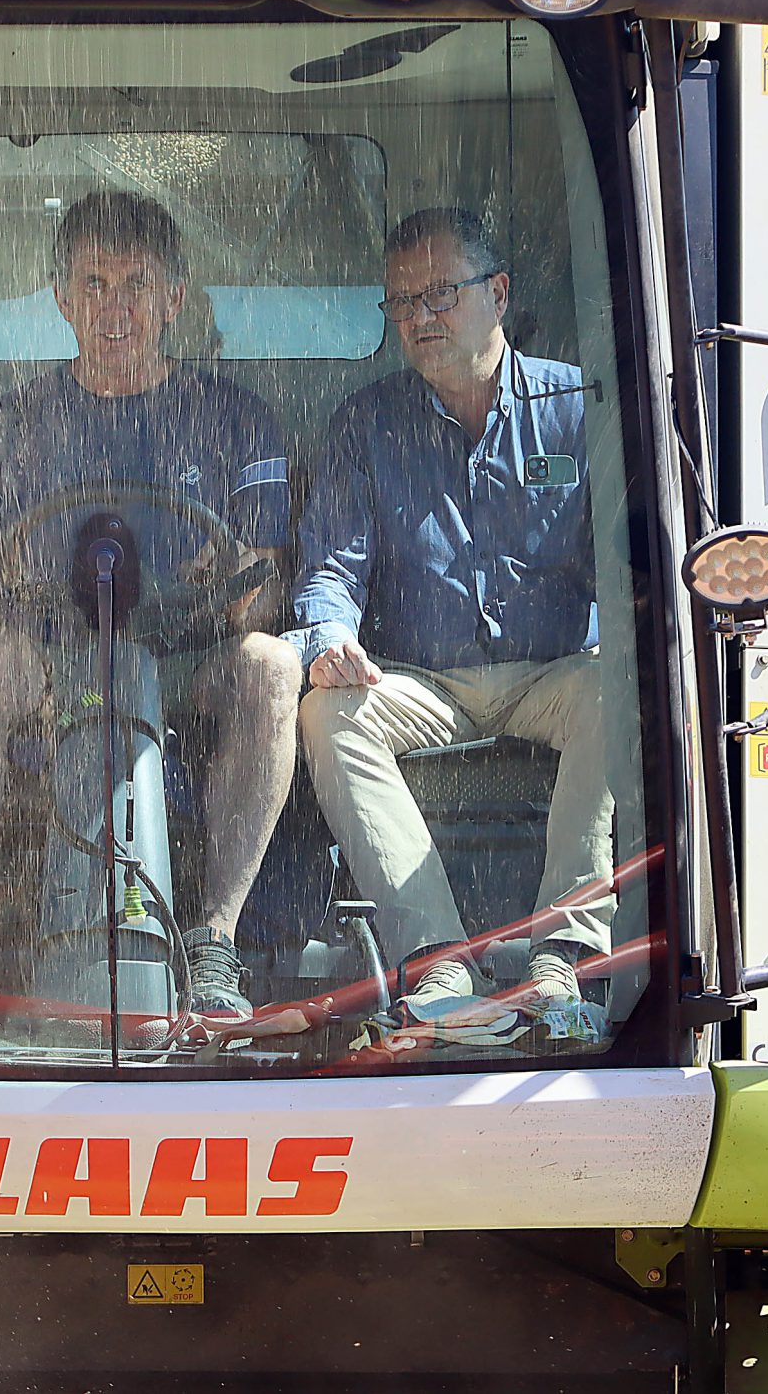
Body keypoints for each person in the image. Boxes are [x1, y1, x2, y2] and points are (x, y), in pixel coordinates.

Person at [0, 192, 300, 1021]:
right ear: (61, 301)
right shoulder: (8, 426)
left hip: (185, 672)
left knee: (273, 667)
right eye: (93, 283)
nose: (116, 306)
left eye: (137, 283)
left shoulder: (237, 421)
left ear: (174, 297)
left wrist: (243, 583)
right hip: (48, 666)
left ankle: (215, 943)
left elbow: (269, 589)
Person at [290, 208, 610, 1018]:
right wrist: (331, 640)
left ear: (497, 294)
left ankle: (561, 957)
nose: (419, 318)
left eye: (439, 294)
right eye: (400, 302)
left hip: (555, 674)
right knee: (329, 711)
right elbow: (331, 568)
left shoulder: (578, 406)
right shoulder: (366, 424)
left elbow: (631, 557)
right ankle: (437, 962)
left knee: (625, 685)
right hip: (422, 680)